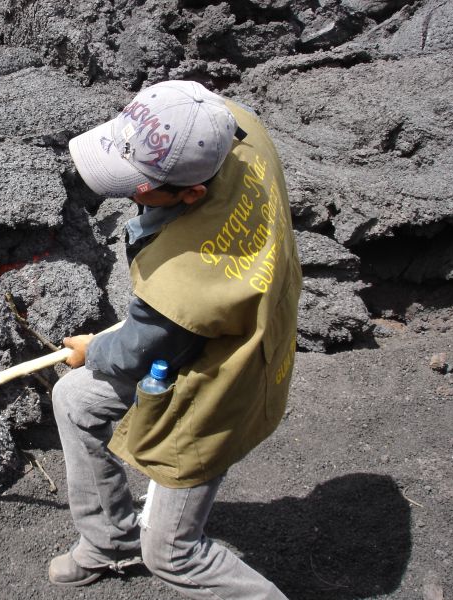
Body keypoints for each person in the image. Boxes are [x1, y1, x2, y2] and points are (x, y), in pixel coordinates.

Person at [48, 80, 302, 599]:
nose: (130, 192)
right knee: (75, 400)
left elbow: (140, 348)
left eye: (140, 186)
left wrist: (91, 349)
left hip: (227, 368)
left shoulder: (186, 276)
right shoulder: (227, 123)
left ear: (193, 194)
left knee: (172, 553)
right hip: (206, 323)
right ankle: (110, 541)